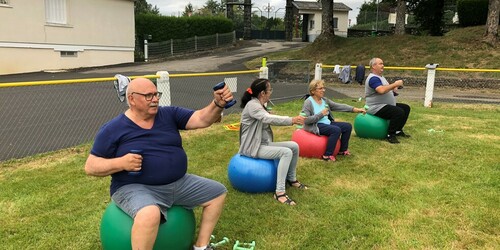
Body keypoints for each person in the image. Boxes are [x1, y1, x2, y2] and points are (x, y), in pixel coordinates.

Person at [84, 77, 233, 250]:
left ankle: (201, 246)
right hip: (133, 187)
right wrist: (121, 163)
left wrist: (218, 103)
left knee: (217, 193)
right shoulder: (113, 128)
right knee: (149, 213)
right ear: (131, 98)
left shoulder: (168, 114)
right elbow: (91, 166)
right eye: (148, 96)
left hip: (178, 183)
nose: (155, 99)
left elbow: (201, 118)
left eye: (156, 94)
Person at [239, 78, 307, 206]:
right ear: (262, 93)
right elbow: (267, 118)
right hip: (252, 147)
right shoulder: (253, 105)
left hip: (262, 144)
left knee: (294, 146)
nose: (271, 92)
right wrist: (291, 120)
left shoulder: (259, 104)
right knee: (286, 152)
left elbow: (266, 118)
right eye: (269, 90)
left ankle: (291, 179)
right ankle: (279, 193)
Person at [301, 79, 366, 162]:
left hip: (327, 123)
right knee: (335, 130)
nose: (323, 90)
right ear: (313, 91)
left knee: (347, 126)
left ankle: (342, 150)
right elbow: (306, 120)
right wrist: (321, 114)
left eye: (323, 88)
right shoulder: (308, 102)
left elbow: (339, 106)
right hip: (316, 125)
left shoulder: (324, 100)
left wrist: (355, 109)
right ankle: (327, 155)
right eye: (320, 88)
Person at [365, 58, 411, 144]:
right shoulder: (373, 78)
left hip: (384, 104)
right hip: (376, 107)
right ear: (374, 66)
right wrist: (395, 84)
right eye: (380, 64)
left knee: (405, 108)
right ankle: (391, 135)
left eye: (383, 63)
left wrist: (393, 89)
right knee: (398, 112)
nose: (383, 65)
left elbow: (385, 89)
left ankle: (398, 131)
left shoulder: (380, 77)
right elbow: (381, 90)